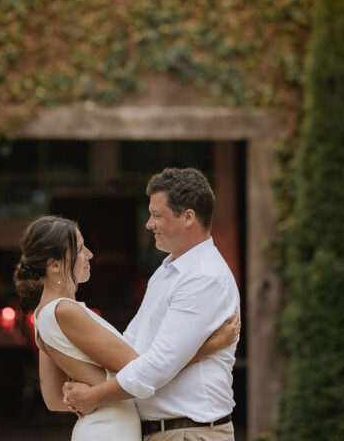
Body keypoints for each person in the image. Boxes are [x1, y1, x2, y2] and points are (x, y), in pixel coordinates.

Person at [15, 215, 239, 440]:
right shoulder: (66, 311)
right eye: (81, 249)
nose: (89, 254)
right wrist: (210, 347)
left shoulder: (42, 315)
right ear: (54, 265)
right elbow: (144, 367)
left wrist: (89, 394)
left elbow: (55, 399)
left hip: (102, 427)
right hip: (110, 429)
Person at [63, 168, 240, 440]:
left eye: (157, 215)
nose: (148, 224)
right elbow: (131, 349)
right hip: (163, 431)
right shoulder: (167, 271)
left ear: (188, 217)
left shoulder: (204, 277)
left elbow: (159, 364)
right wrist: (206, 348)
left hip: (189, 433)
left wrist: (94, 396)